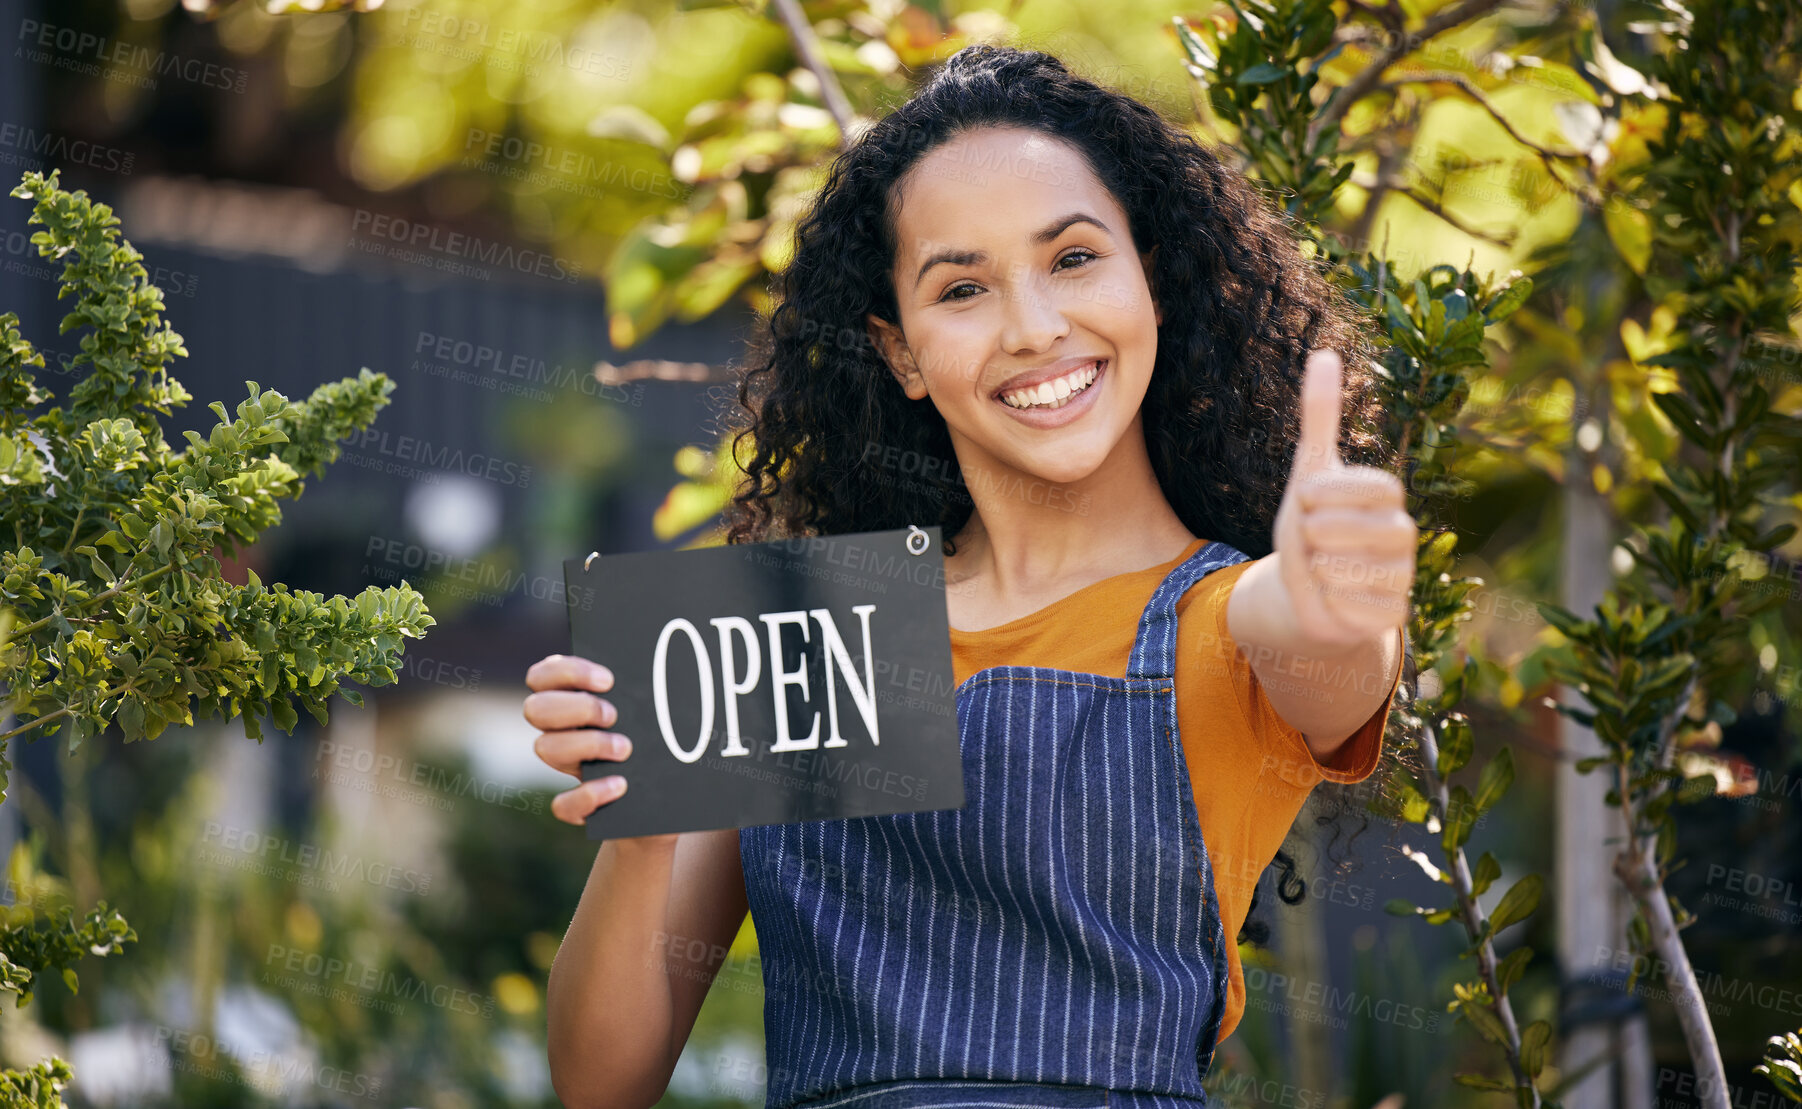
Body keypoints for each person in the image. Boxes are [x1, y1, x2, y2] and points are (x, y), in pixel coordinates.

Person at [523, 43, 1412, 1109]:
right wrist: (643, 813)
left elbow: (1316, 646)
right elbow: (599, 1080)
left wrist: (1333, 602)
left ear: (1151, 281)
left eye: (1074, 258)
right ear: (897, 351)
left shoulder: (1221, 618)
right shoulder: (810, 635)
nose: (1033, 327)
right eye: (961, 287)